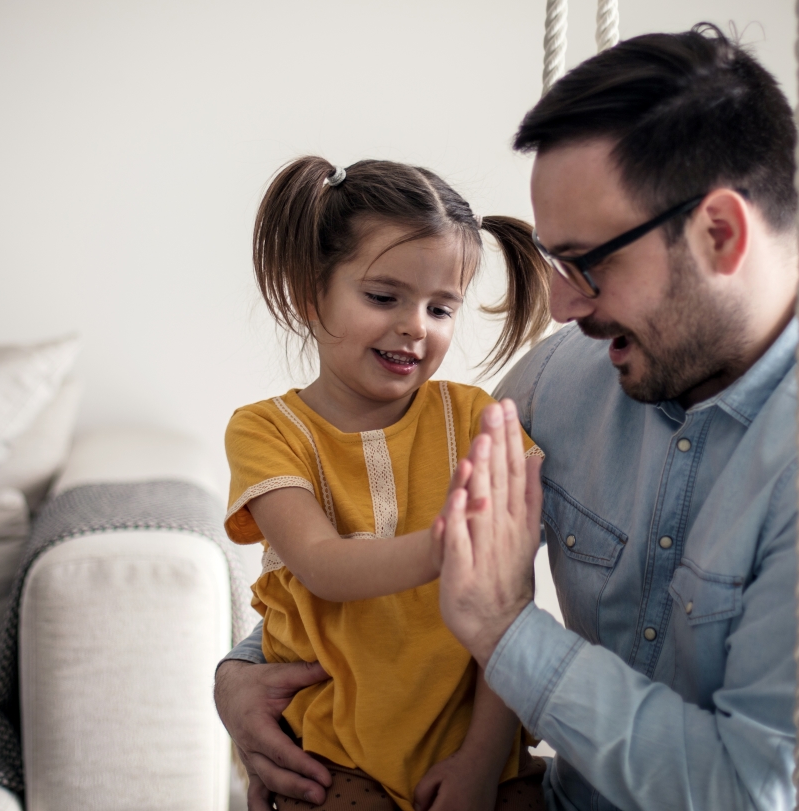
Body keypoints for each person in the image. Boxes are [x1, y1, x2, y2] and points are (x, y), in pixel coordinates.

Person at [216, 26, 799, 811]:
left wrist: (506, 631)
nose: (559, 305)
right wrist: (241, 675)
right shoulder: (572, 378)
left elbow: (747, 795)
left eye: (588, 263)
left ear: (719, 234)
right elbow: (358, 564)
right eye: (555, 265)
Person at [222, 156, 554, 811]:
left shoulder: (478, 422)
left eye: (441, 307)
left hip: (473, 745)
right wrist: (446, 547)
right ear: (309, 290)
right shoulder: (268, 431)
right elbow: (322, 564)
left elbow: (509, 609)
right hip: (332, 751)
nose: (416, 326)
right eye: (384, 297)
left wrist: (481, 762)